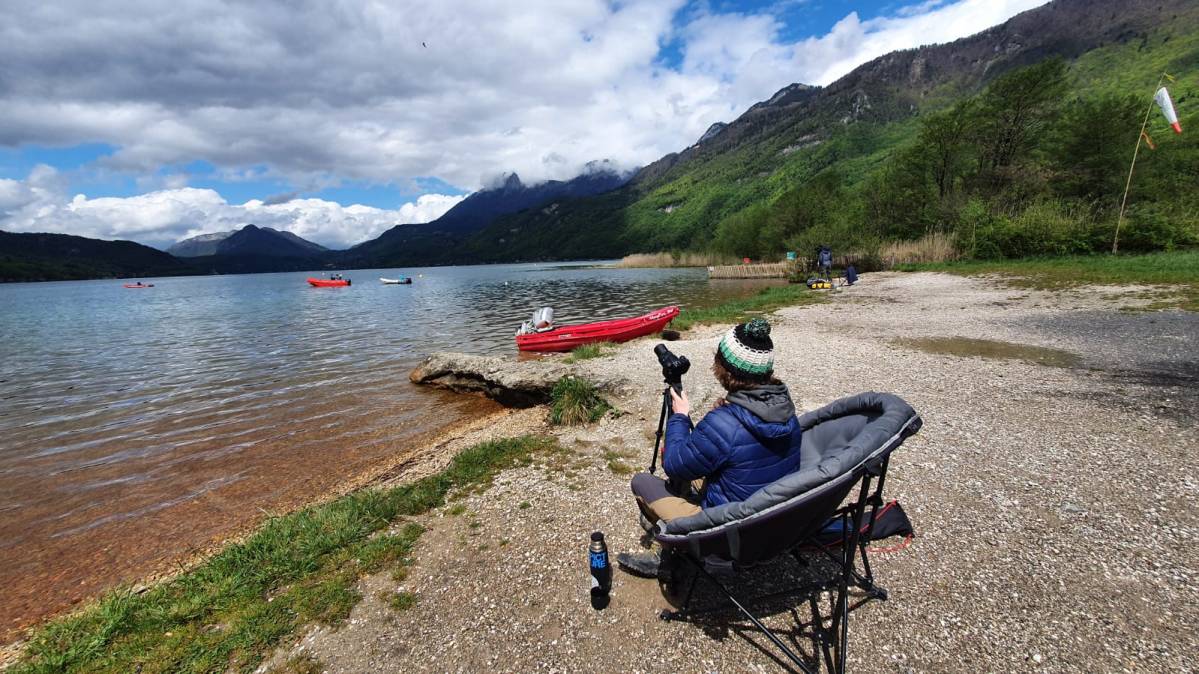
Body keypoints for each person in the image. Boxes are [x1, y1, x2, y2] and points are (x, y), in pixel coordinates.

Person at [618, 318, 802, 576]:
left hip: (730, 534)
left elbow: (674, 465)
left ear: (724, 369)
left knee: (642, 482)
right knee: (709, 464)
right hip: (774, 522)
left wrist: (680, 416)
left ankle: (669, 561)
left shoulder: (724, 424)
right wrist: (731, 410)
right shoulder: (788, 412)